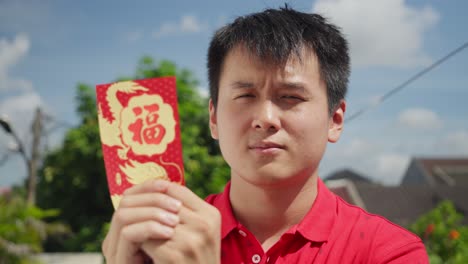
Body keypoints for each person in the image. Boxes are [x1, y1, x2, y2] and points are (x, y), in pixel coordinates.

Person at [102, 6, 429, 264]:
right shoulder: (163, 238)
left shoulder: (388, 253)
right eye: (245, 96)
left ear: (335, 119)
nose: (265, 119)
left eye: (291, 97)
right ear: (214, 118)